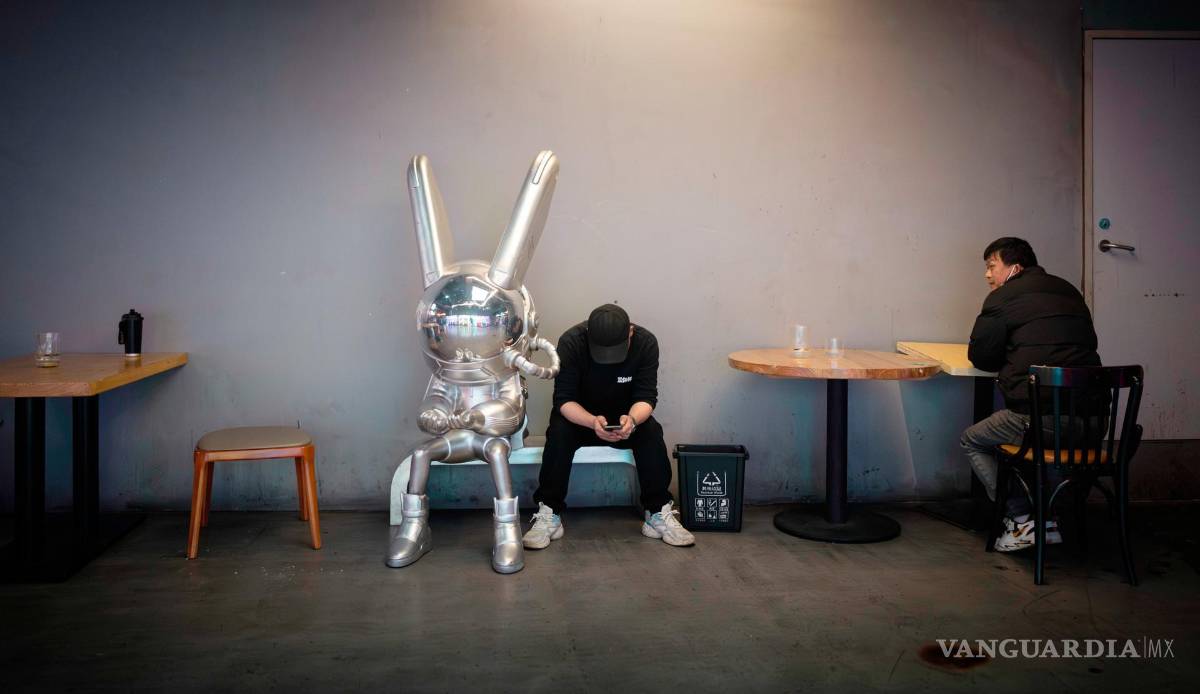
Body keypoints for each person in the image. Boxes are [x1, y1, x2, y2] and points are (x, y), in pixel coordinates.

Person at [963, 237, 1102, 552]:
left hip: (1041, 421)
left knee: (973, 439)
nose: (987, 275)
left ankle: (1023, 518)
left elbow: (981, 357)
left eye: (991, 266)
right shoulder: (1069, 291)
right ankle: (1048, 519)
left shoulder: (1002, 298)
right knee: (1039, 443)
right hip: (1094, 423)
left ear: (1014, 267)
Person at [522, 303, 695, 549]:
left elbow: (647, 397)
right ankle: (550, 513)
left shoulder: (645, 343)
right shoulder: (572, 342)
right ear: (588, 335)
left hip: (627, 420)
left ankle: (657, 512)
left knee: (651, 432)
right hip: (581, 419)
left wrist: (632, 420)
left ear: (630, 333)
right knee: (559, 432)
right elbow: (564, 400)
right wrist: (592, 422)